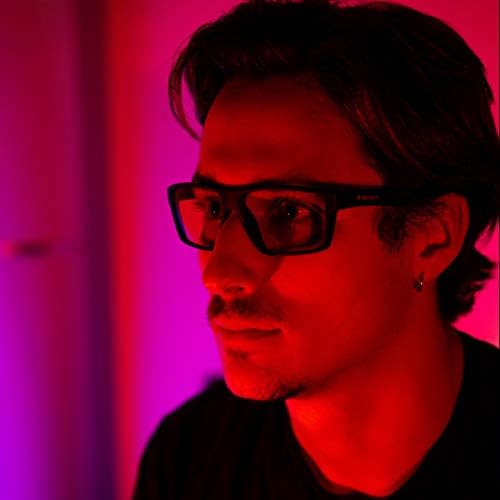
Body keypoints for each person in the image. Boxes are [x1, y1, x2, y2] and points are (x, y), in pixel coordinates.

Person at [133, 1, 499, 498]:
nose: (219, 272)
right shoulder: (188, 456)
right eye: (215, 207)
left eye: (289, 212)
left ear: (432, 236)